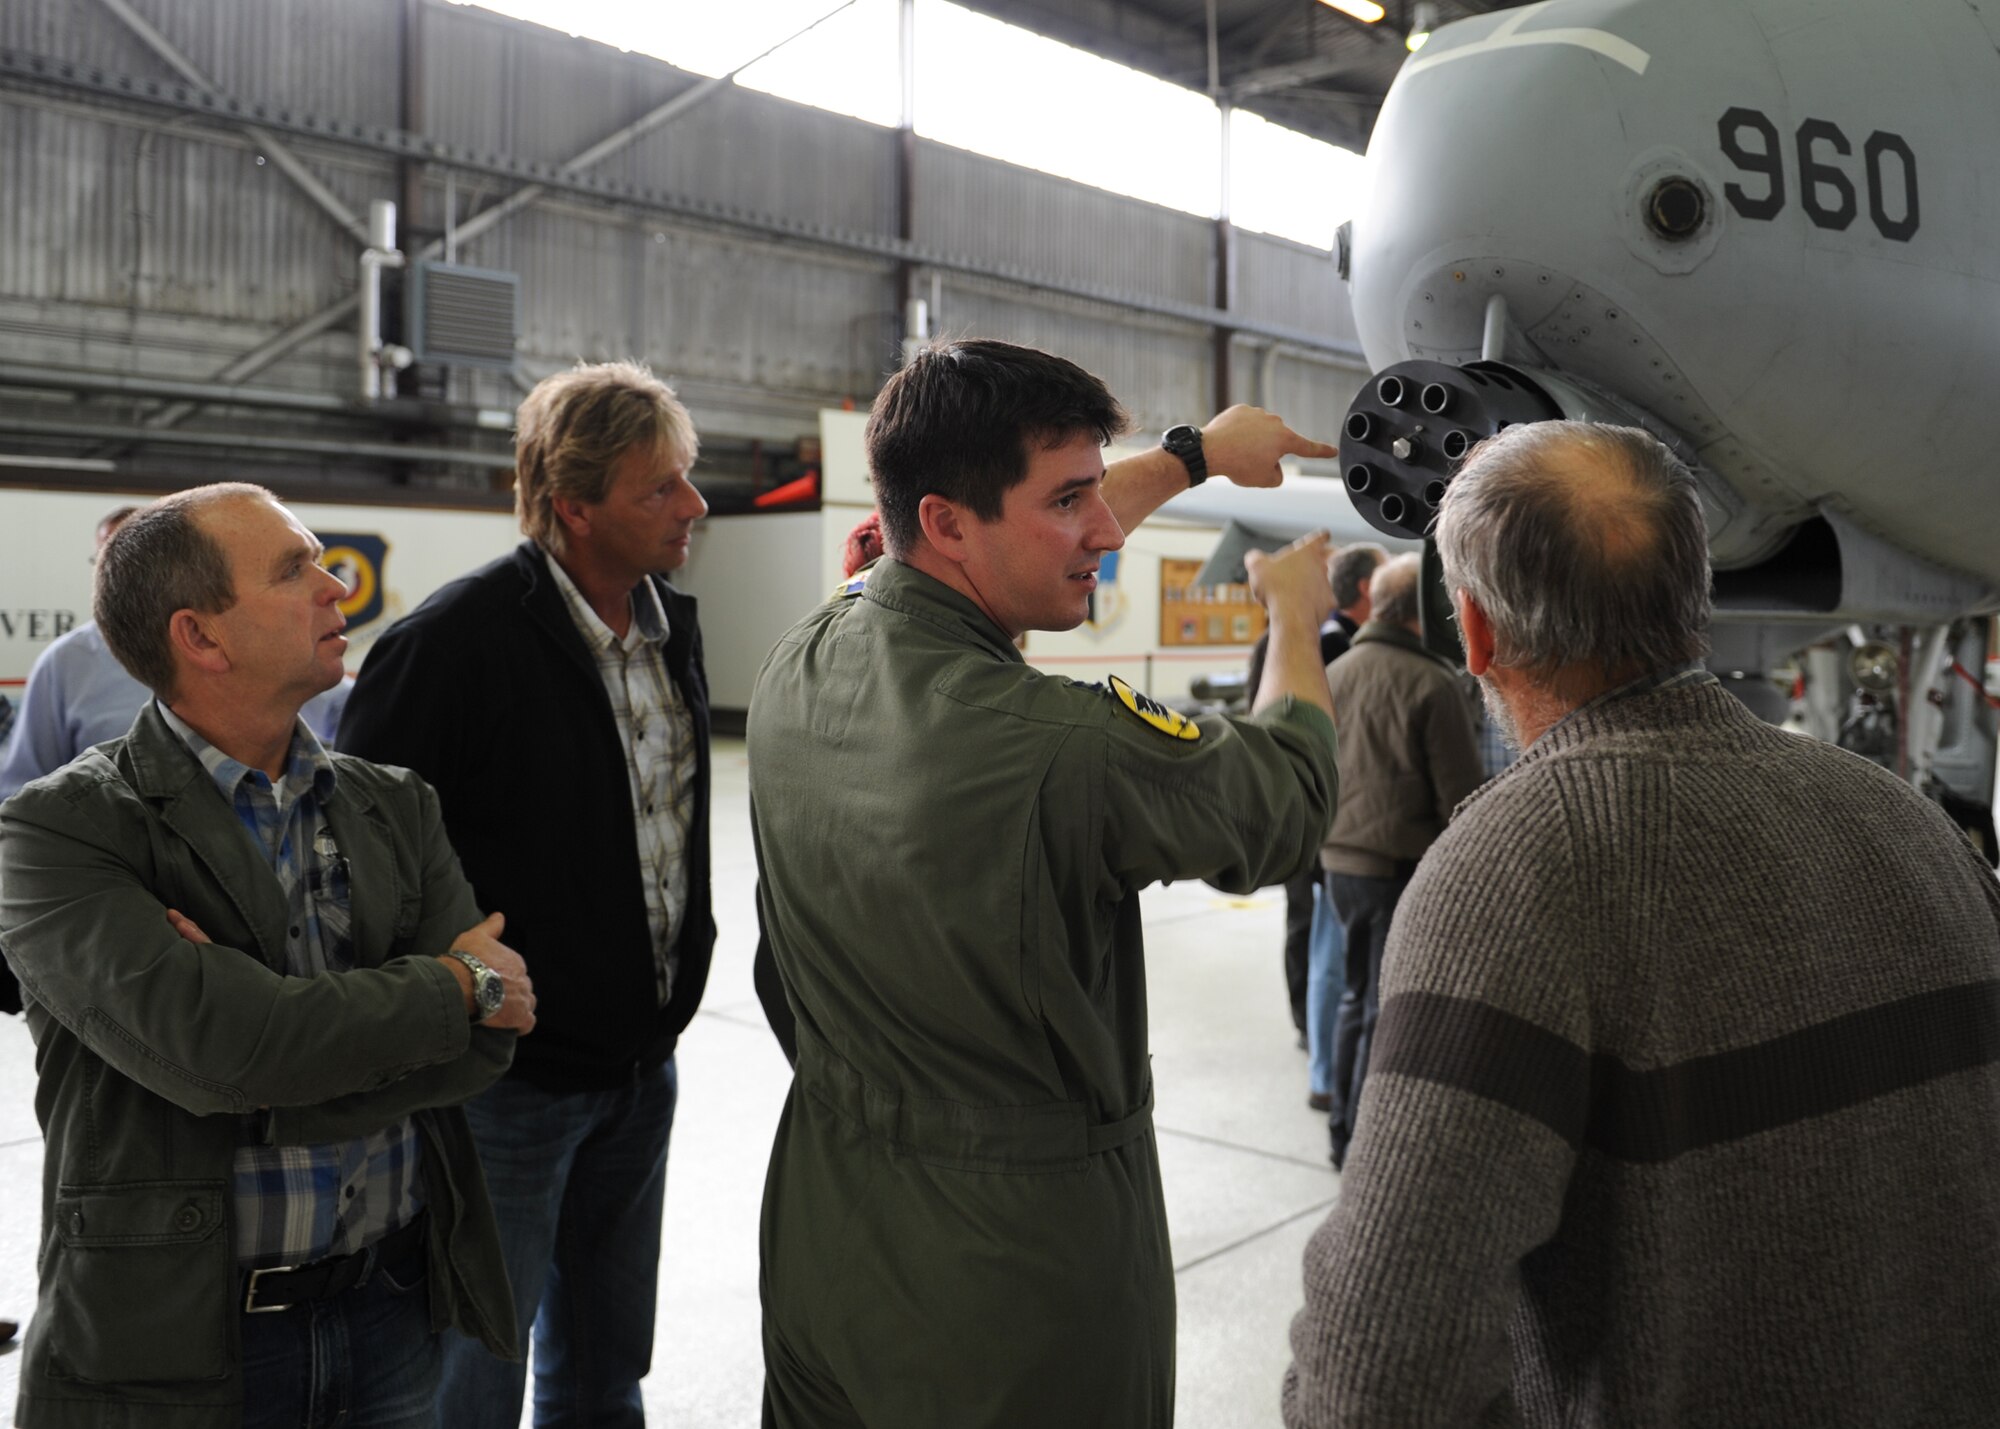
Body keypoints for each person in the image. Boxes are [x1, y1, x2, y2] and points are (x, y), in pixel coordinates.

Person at [1283, 420, 2000, 1426]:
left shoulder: (1512, 866)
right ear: (1689, 600)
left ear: (1474, 632)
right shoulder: (1908, 820)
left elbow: (1379, 1373)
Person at [751, 338, 1342, 1428]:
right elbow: (1285, 803)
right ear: (943, 521)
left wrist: (1192, 455)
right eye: (1071, 498)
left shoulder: (803, 655)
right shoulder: (1059, 745)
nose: (1106, 529)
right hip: (1010, 1277)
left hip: (821, 1221)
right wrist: (1294, 618)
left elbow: (998, 523)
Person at [0, 483, 532, 1428]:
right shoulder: (59, 832)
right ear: (200, 637)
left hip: (391, 1311)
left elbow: (483, 1048)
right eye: (297, 568)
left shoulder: (396, 803)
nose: (336, 588)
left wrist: (270, 1044)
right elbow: (238, 1047)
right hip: (180, 1340)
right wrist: (459, 984)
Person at [340, 359, 714, 1426]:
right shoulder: (452, 646)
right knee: (475, 1375)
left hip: (642, 1066)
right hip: (505, 1087)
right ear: (574, 507)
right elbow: (367, 859)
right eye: (661, 489)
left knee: (606, 1365)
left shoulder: (669, 626)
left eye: (687, 478)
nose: (693, 506)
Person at [1318, 551, 1482, 1168]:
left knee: (1354, 997)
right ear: (1422, 610)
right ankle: (1365, 1144)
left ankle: (1341, 1129)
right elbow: (1462, 799)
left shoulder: (1335, 671)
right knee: (1388, 1009)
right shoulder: (1432, 682)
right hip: (1397, 871)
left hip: (1339, 863)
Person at [1245, 548, 1356, 1053]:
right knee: (1309, 922)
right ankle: (1307, 1022)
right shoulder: (1306, 645)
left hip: (1315, 798)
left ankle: (1307, 1019)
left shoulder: (1290, 642)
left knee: (1308, 921)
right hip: (1305, 793)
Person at [1301, 543, 1386, 1110]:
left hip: (1336, 826)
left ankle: (1325, 1071)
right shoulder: (1332, 647)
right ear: (1365, 590)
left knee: (1331, 956)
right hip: (1338, 828)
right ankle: (1327, 1077)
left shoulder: (1334, 644)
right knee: (1333, 959)